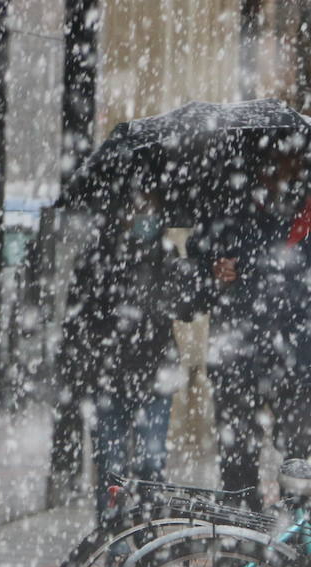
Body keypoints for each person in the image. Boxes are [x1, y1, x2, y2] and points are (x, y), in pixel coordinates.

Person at [187, 148, 311, 509]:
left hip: (301, 364)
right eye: (276, 172)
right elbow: (195, 270)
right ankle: (240, 542)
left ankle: (291, 543)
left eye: (293, 171)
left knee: (298, 463)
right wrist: (213, 272)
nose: (283, 181)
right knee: (237, 462)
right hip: (237, 360)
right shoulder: (230, 224)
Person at [50, 190, 197, 519]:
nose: (144, 216)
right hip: (109, 375)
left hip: (154, 373)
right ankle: (114, 541)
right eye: (137, 206)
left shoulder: (166, 253)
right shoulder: (97, 256)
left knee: (151, 463)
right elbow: (78, 318)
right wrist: (79, 368)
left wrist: (182, 278)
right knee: (111, 469)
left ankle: (145, 537)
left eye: (150, 207)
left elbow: (183, 308)